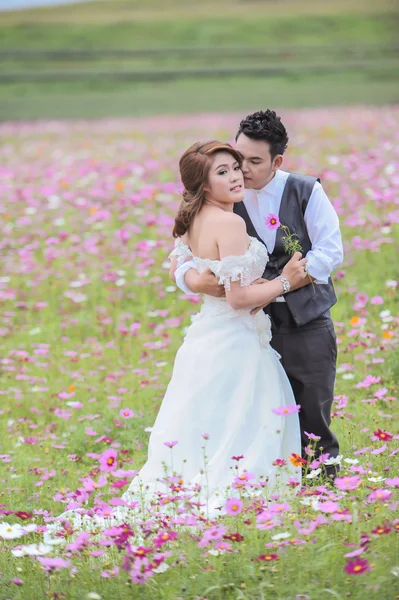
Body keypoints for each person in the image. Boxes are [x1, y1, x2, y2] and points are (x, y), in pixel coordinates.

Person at [173, 111, 344, 479]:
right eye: (237, 158)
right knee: (256, 415)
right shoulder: (223, 199)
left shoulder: (305, 190)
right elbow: (185, 256)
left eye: (253, 162)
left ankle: (325, 487)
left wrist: (289, 282)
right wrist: (193, 280)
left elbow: (330, 252)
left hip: (305, 321)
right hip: (250, 327)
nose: (241, 170)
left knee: (313, 411)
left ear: (276, 161)